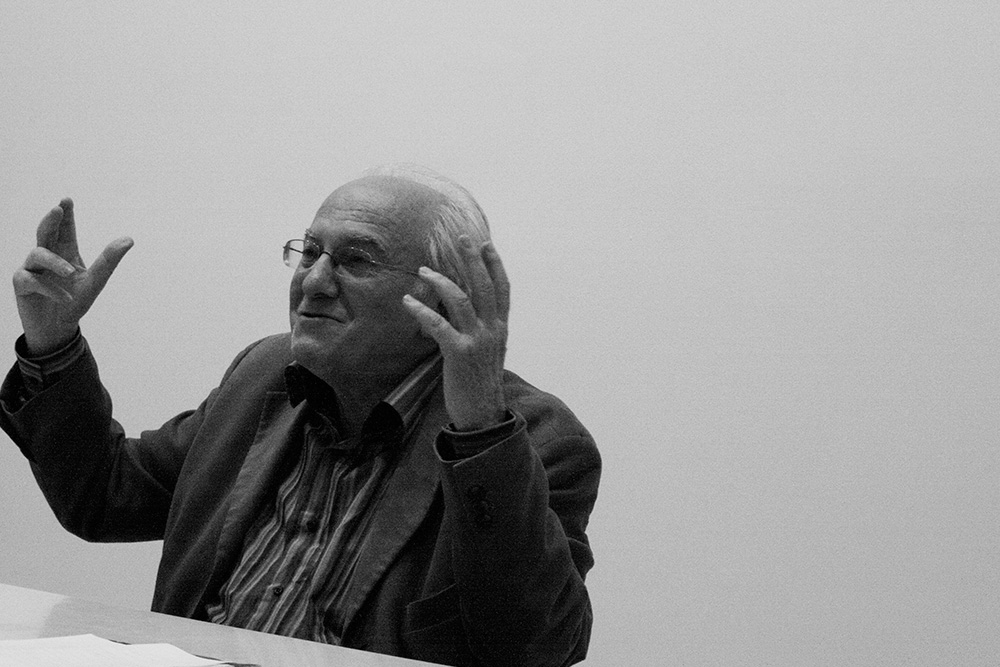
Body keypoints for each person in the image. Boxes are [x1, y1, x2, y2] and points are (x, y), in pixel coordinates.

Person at [0, 165, 601, 667]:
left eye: (356, 261)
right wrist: (54, 344)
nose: (313, 281)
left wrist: (478, 431)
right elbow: (106, 496)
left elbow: (535, 646)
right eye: (309, 252)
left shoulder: (532, 438)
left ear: (443, 295)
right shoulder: (264, 374)